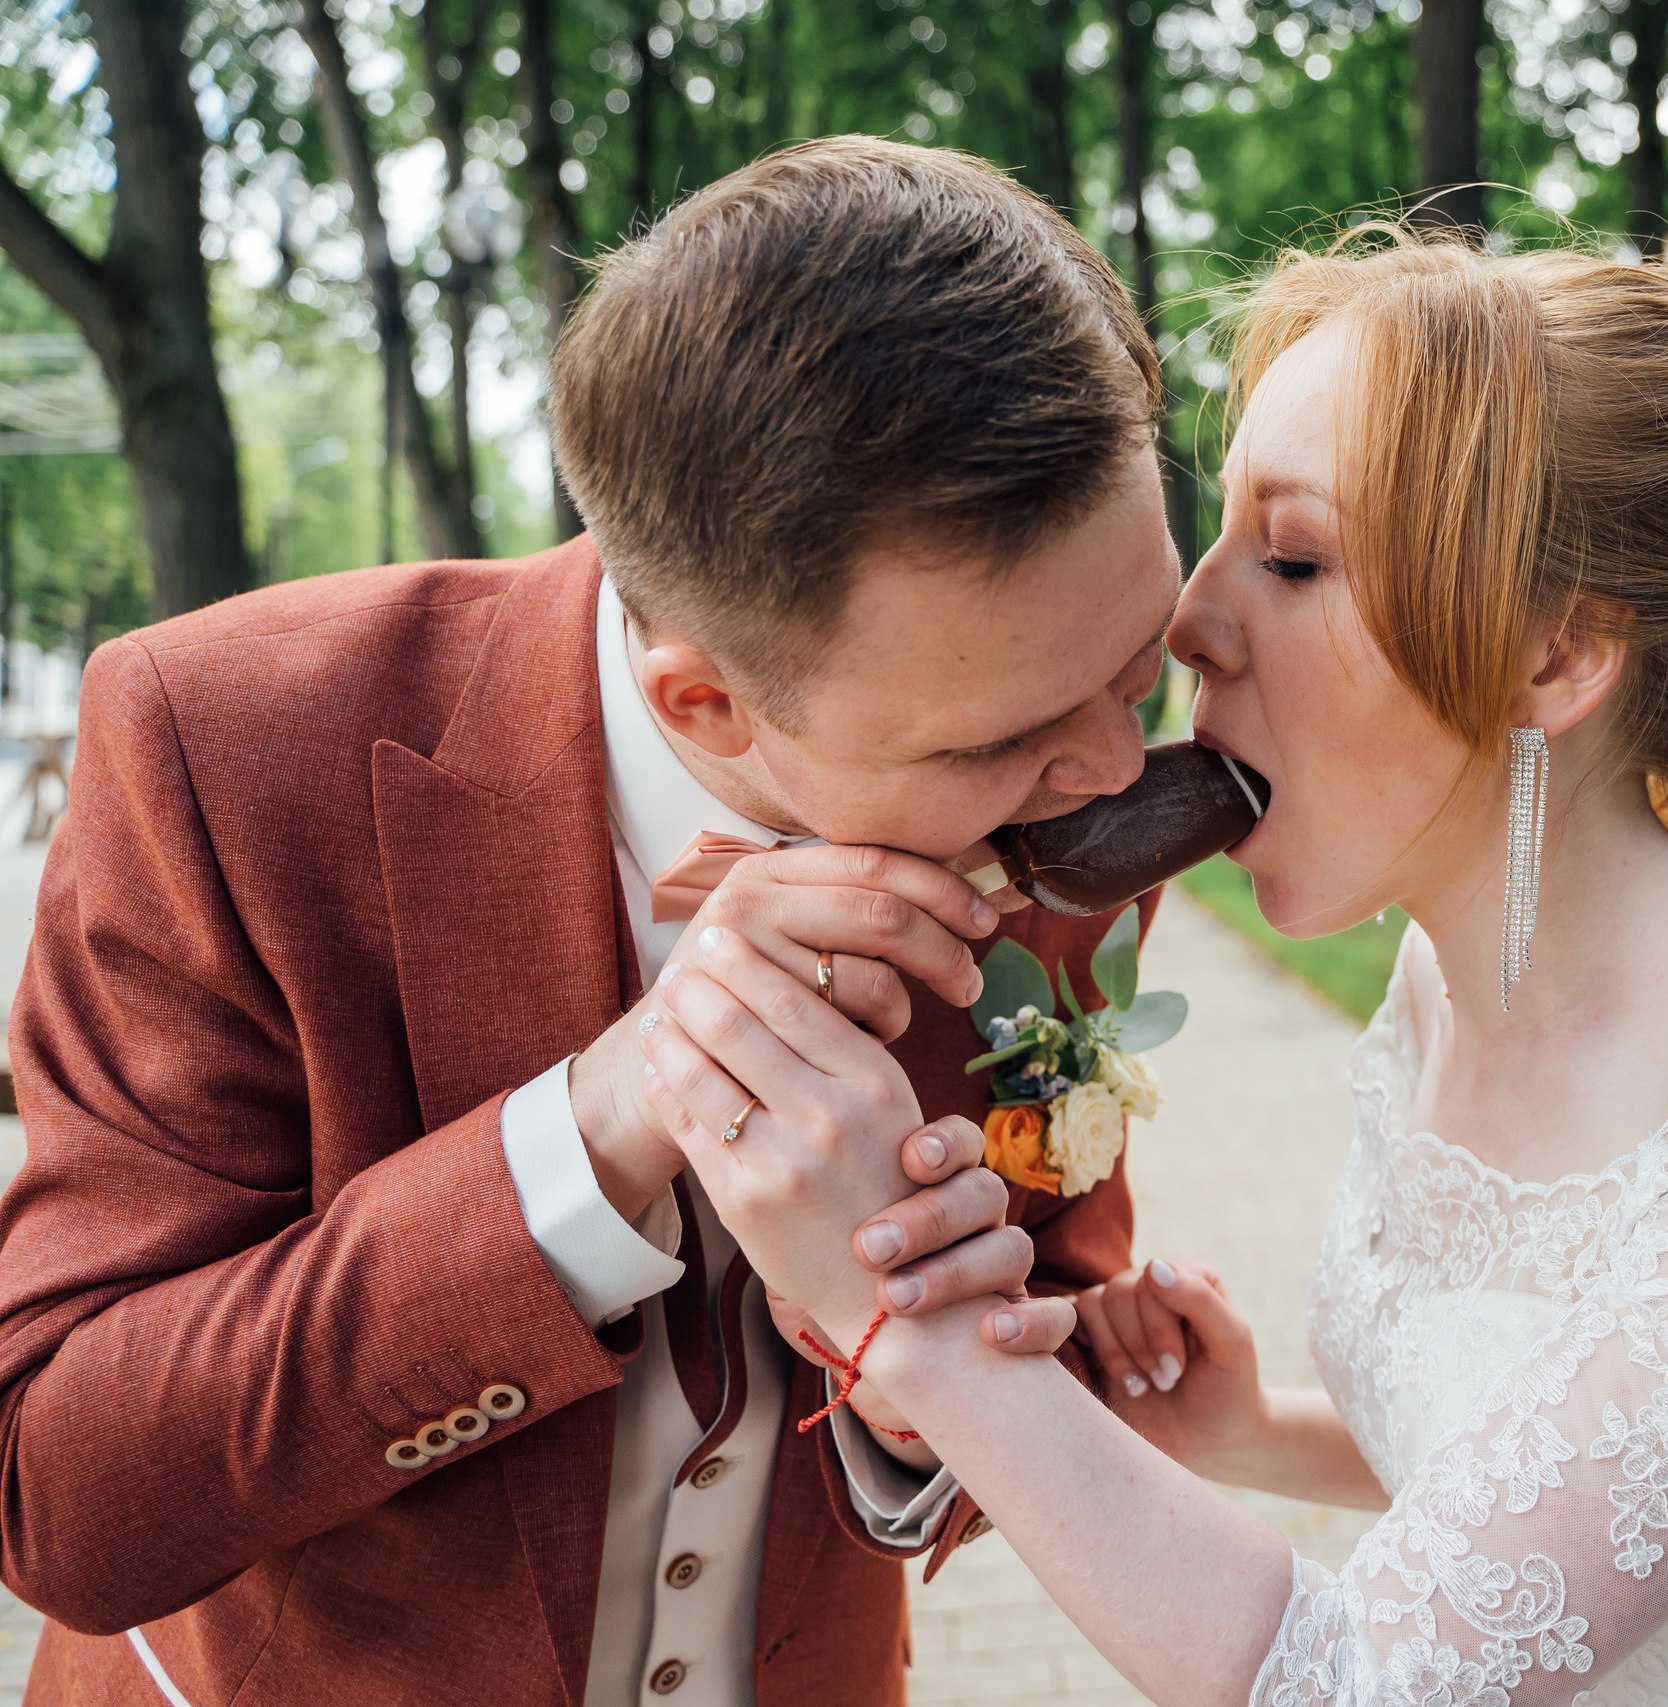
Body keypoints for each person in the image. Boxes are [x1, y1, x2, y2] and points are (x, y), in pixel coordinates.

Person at [638, 235, 1668, 1706]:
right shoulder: (1448, 985)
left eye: (1296, 557)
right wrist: (1255, 1435)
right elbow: (1563, 1480)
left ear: (1554, 660)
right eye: (1223, 537)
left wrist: (916, 1329)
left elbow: (1360, 1683)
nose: (1189, 622)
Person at [0, 138, 1179, 1707]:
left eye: (1138, 664)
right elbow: (66, 1491)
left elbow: (1053, 1301)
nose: (1107, 771)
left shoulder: (1071, 812)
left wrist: (924, 1415)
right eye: (992, 745)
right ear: (705, 695)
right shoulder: (223, 750)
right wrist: (597, 1131)